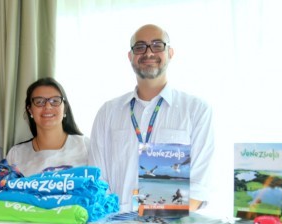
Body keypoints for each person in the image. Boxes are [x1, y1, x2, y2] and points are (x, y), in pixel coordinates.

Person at [89, 24, 214, 212]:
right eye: (140, 47)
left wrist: (155, 218)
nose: (148, 53)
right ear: (130, 57)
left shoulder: (196, 110)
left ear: (170, 53)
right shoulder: (108, 112)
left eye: (157, 45)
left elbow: (199, 186)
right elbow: (96, 181)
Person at [6, 77, 89, 176]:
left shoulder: (85, 146)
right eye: (39, 101)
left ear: (65, 109)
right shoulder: (16, 154)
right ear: (30, 110)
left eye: (55, 101)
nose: (48, 106)